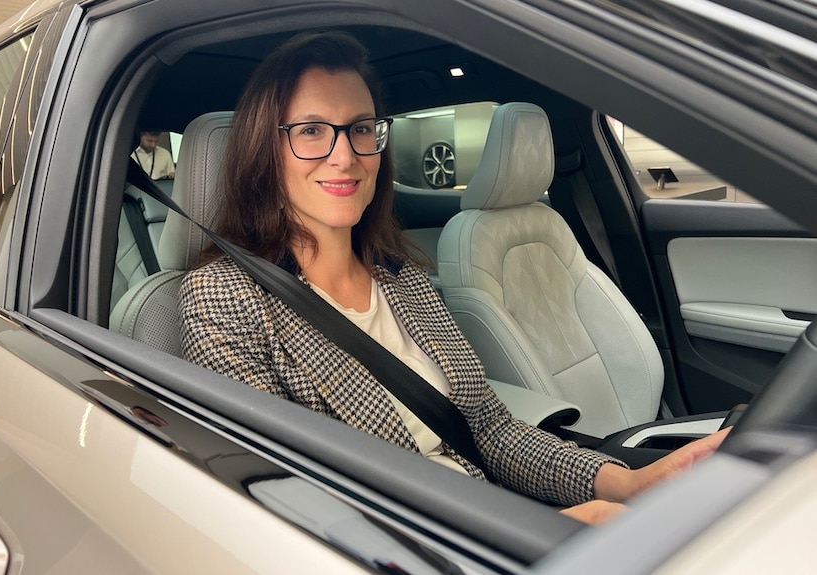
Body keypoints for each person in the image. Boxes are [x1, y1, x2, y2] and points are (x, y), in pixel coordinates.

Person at [178, 31, 728, 526]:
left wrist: (629, 483)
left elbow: (490, 431)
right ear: (265, 150)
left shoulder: (402, 277)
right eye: (313, 131)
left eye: (361, 129)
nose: (344, 155)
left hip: (484, 512)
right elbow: (291, 503)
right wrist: (548, 533)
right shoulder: (224, 297)